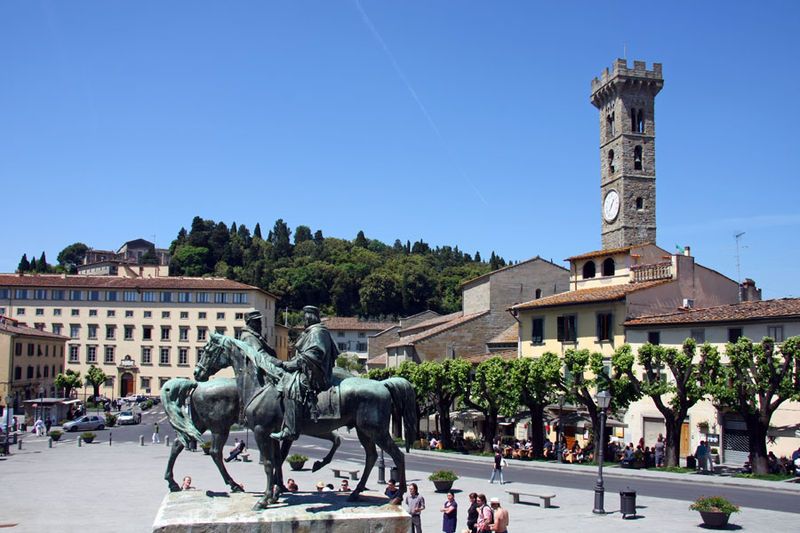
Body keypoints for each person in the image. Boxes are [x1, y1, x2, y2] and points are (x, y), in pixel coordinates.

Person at [270, 306, 338, 441]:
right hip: (309, 370)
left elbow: (312, 356)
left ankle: (291, 430)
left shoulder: (318, 332)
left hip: (317, 374)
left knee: (292, 387)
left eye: (305, 317)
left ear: (311, 317)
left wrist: (287, 364)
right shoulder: (312, 332)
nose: (304, 320)